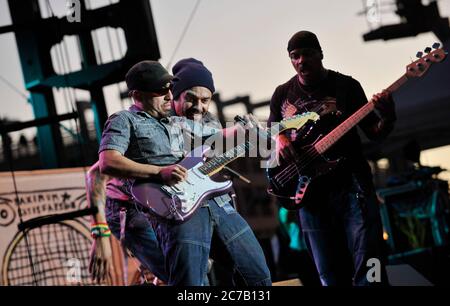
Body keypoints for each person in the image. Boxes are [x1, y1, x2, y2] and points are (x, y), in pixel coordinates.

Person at [98, 60, 271, 286]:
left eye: (169, 88)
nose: (169, 95)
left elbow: (217, 136)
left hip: (215, 201)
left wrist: (249, 129)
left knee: (259, 276)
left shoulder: (176, 121)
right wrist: (160, 172)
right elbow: (107, 161)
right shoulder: (125, 120)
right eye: (160, 91)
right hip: (177, 208)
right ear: (137, 95)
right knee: (192, 285)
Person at [268, 31, 396, 286]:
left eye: (307, 54)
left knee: (369, 263)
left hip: (351, 188)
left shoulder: (346, 87)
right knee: (328, 274)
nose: (301, 60)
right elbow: (271, 133)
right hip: (310, 197)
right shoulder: (282, 94)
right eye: (295, 56)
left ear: (320, 54)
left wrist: (389, 116)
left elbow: (376, 134)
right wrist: (279, 138)